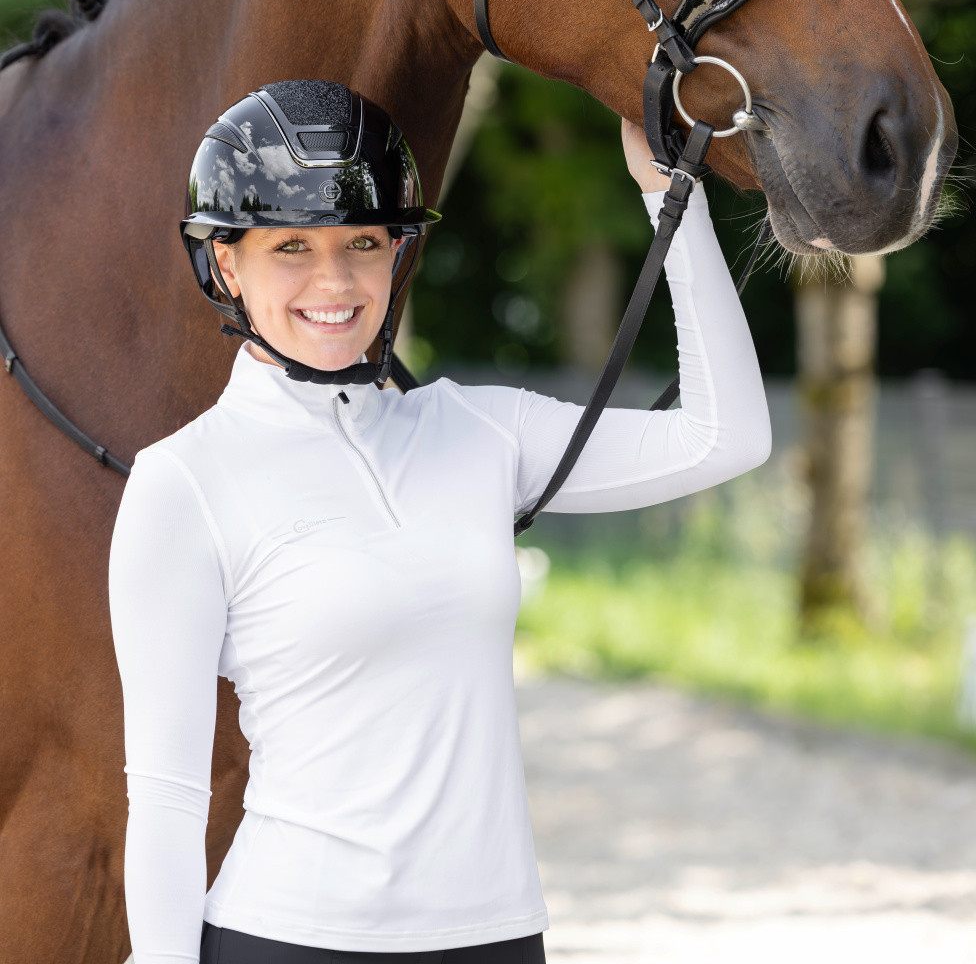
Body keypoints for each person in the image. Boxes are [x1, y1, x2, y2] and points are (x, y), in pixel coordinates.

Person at [109, 79, 771, 964]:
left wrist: (668, 192)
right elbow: (166, 793)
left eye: (365, 243)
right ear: (226, 263)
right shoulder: (181, 481)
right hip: (287, 936)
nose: (334, 281)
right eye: (291, 248)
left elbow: (723, 437)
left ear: (398, 254)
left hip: (496, 937)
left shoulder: (476, 431)